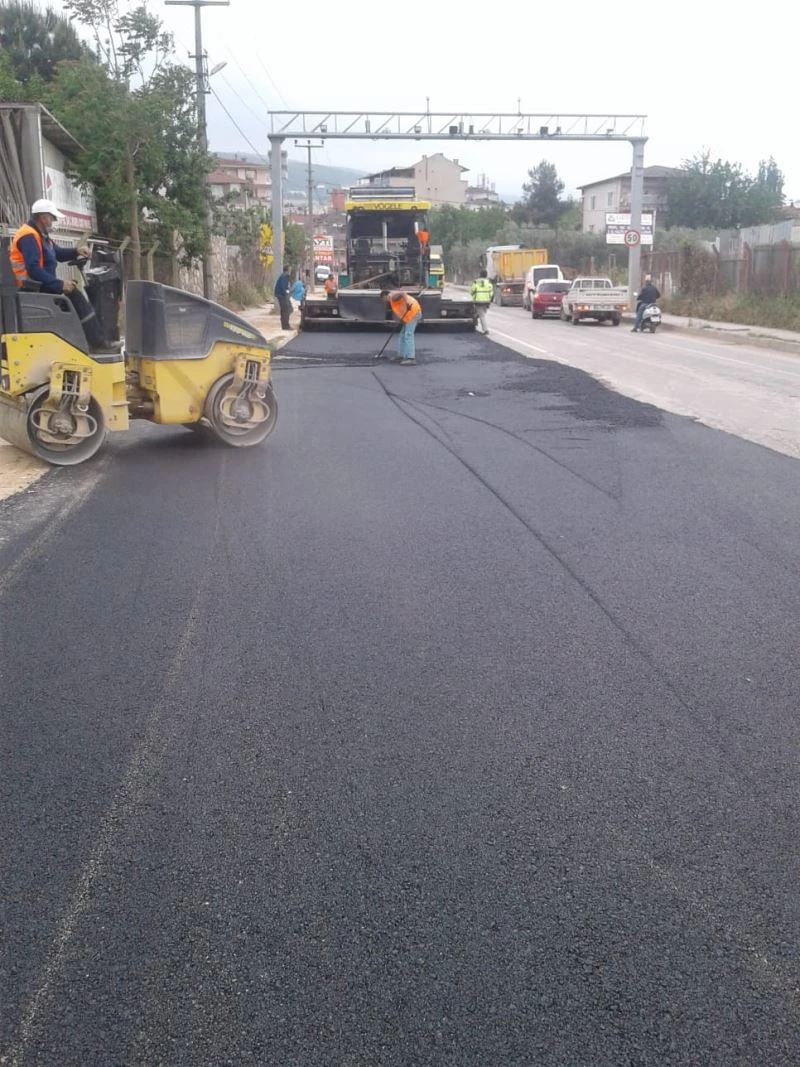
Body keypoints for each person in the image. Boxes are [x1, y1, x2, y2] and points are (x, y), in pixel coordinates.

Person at [9, 199, 117, 353]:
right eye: (52, 217)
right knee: (76, 296)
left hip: (40, 285)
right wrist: (59, 284)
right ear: (42, 217)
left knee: (73, 292)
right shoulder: (29, 236)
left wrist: (76, 251)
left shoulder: (42, 236)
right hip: (31, 288)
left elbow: (57, 253)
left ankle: (90, 341)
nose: (53, 221)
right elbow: (33, 269)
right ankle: (98, 343)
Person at [379, 289, 421, 365]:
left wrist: (406, 304)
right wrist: (401, 320)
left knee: (408, 335)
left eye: (383, 299)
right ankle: (401, 356)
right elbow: (399, 310)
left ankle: (411, 358)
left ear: (385, 296)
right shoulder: (391, 300)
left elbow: (403, 292)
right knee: (402, 335)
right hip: (408, 315)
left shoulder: (392, 296)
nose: (384, 301)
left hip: (414, 313)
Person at [470, 269, 494, 335]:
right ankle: (475, 317)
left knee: (482, 316)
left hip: (478, 301)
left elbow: (471, 291)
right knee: (482, 314)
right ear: (486, 275)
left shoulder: (476, 282)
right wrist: (489, 300)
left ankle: (485, 330)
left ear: (480, 275)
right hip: (486, 302)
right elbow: (491, 293)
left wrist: (475, 296)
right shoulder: (489, 283)